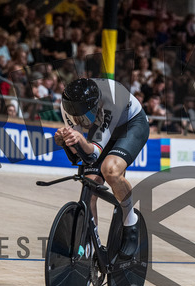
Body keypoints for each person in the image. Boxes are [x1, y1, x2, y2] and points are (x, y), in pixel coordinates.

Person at [54, 78, 149, 259]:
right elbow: (78, 155)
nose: (81, 122)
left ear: (96, 105)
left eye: (85, 117)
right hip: (101, 125)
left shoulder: (112, 99)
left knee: (111, 170)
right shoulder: (69, 105)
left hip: (131, 125)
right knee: (89, 186)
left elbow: (93, 154)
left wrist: (80, 140)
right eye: (78, 119)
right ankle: (90, 247)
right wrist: (66, 140)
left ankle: (131, 222)